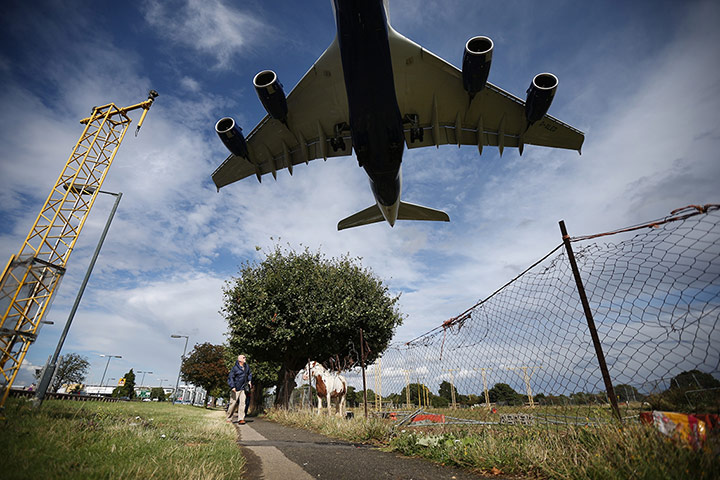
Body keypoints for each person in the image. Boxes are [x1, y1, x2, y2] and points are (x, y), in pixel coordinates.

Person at [226, 354, 252, 424]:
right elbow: (230, 378)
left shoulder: (247, 367)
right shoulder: (235, 368)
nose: (245, 358)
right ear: (240, 360)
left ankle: (241, 418)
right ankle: (229, 418)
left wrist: (249, 381)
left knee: (243, 403)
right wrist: (232, 386)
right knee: (233, 403)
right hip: (236, 388)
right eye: (244, 357)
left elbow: (250, 374)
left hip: (244, 388)